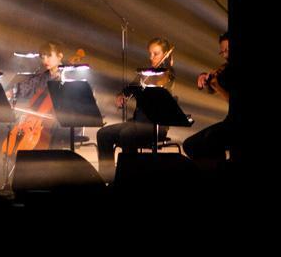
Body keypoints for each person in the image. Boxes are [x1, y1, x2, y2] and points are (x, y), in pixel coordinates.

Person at [95, 37, 175, 181]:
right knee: (103, 133)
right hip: (137, 123)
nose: (151, 58)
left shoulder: (168, 74)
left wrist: (164, 69)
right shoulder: (145, 74)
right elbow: (129, 89)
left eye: (156, 54)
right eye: (150, 54)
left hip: (156, 125)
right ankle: (107, 179)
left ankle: (130, 179)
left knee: (127, 134)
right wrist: (121, 95)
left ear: (165, 55)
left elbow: (162, 90)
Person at [3, 41, 66, 151]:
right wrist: (9, 93)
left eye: (49, 56)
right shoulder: (42, 77)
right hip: (41, 124)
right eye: (42, 57)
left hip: (61, 123)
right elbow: (26, 86)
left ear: (60, 56)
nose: (45, 60)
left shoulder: (68, 76)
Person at [183, 32, 232, 162]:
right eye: (222, 52)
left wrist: (218, 88)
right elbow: (212, 86)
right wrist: (204, 77)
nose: (225, 55)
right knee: (189, 144)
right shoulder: (226, 68)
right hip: (229, 122)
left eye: (228, 50)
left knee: (209, 141)